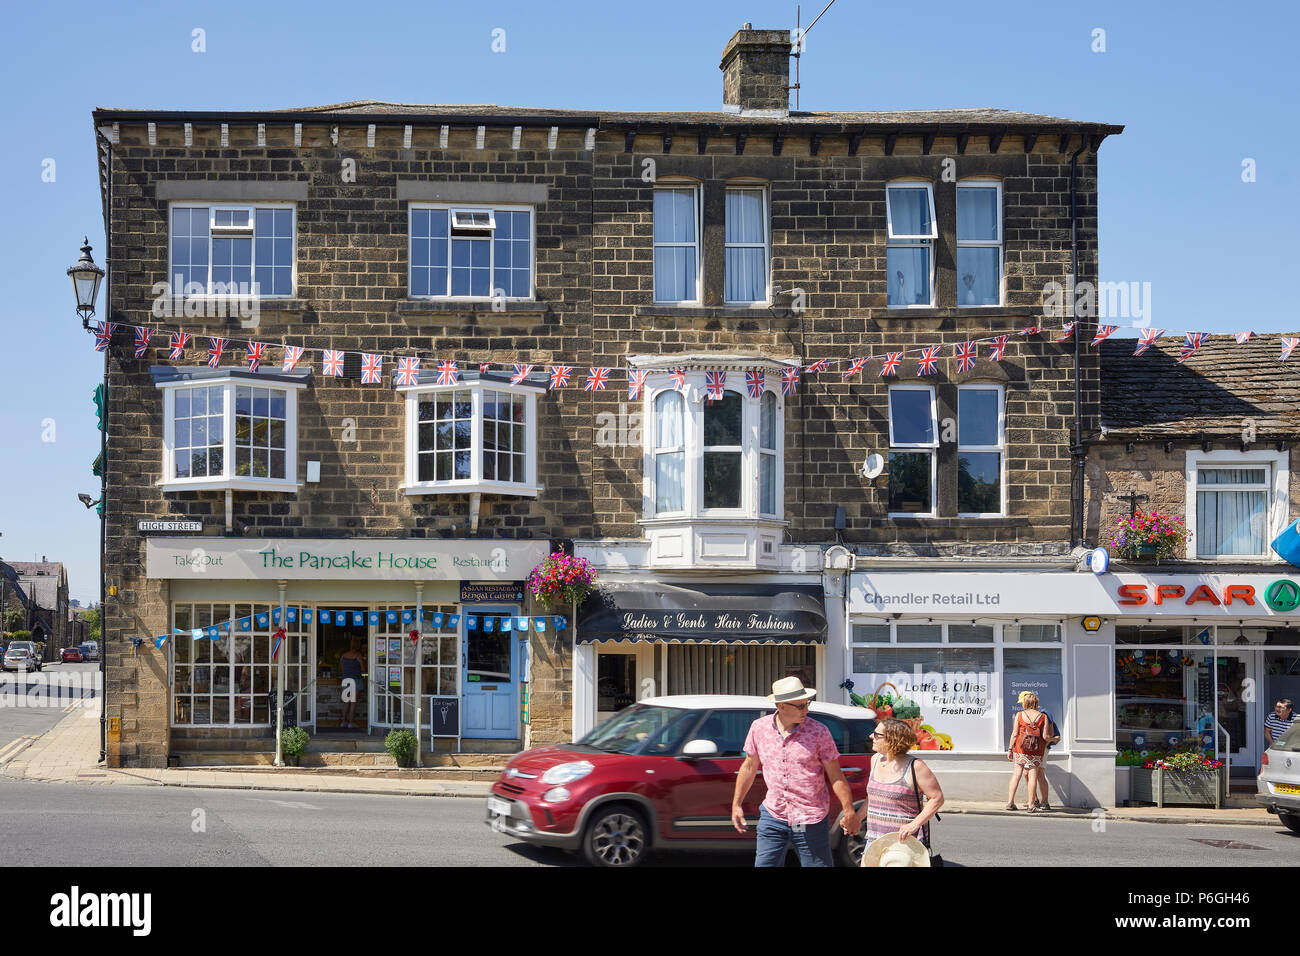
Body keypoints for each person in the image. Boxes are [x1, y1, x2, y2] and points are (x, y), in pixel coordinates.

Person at [731, 676, 860, 867]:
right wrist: (737, 804)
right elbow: (749, 766)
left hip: (810, 818)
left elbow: (836, 775)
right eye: (800, 706)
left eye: (807, 703)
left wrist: (849, 810)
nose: (806, 710)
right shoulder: (759, 728)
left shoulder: (819, 732)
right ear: (781, 706)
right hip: (773, 814)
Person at [863, 718, 944, 854]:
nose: (871, 736)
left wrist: (914, 825)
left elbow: (937, 798)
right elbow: (871, 798)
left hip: (903, 845)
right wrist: (854, 819)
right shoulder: (875, 760)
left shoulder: (915, 766)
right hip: (874, 842)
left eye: (877, 734)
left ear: (892, 739)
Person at [1014, 690, 1061, 811]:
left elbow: (1048, 733)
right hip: (1029, 749)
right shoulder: (1027, 713)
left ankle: (1045, 802)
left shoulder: (1044, 713)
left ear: (1027, 700)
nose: (1021, 705)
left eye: (1022, 702)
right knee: (1027, 773)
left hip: (1041, 748)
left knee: (1039, 774)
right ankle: (1033, 800)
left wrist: (1053, 740)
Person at [1007, 691, 1050, 812]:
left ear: (1025, 703)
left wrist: (1010, 749)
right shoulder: (1043, 717)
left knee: (1016, 774)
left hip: (1020, 749)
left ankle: (1010, 802)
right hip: (1036, 751)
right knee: (1032, 777)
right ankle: (1031, 805)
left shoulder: (1020, 715)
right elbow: (1045, 737)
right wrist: (1054, 739)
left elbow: (1014, 734)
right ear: (1036, 703)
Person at [339, 637, 365, 729]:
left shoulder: (343, 656)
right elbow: (363, 669)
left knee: (346, 702)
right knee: (353, 702)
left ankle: (343, 721)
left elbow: (342, 669)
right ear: (358, 645)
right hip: (355, 680)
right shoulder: (358, 656)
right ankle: (351, 722)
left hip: (345, 680)